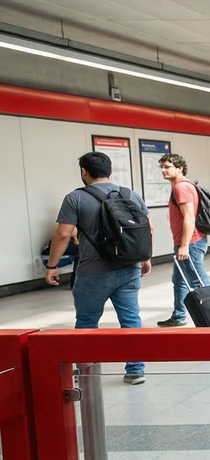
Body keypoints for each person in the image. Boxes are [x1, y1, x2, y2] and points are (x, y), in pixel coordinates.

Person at [47, 152, 153, 384]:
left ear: (83, 172)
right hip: (128, 268)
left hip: (92, 273)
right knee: (130, 318)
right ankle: (135, 370)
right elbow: (147, 229)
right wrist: (145, 258)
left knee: (86, 321)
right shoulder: (131, 194)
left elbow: (63, 234)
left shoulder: (75, 198)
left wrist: (52, 265)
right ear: (111, 171)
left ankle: (86, 372)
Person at [158, 153, 210, 328]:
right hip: (188, 242)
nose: (163, 170)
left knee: (199, 283)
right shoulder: (180, 186)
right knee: (180, 281)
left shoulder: (182, 187)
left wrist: (184, 246)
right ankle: (179, 316)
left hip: (191, 244)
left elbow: (189, 218)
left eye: (167, 167)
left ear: (180, 168)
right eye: (162, 167)